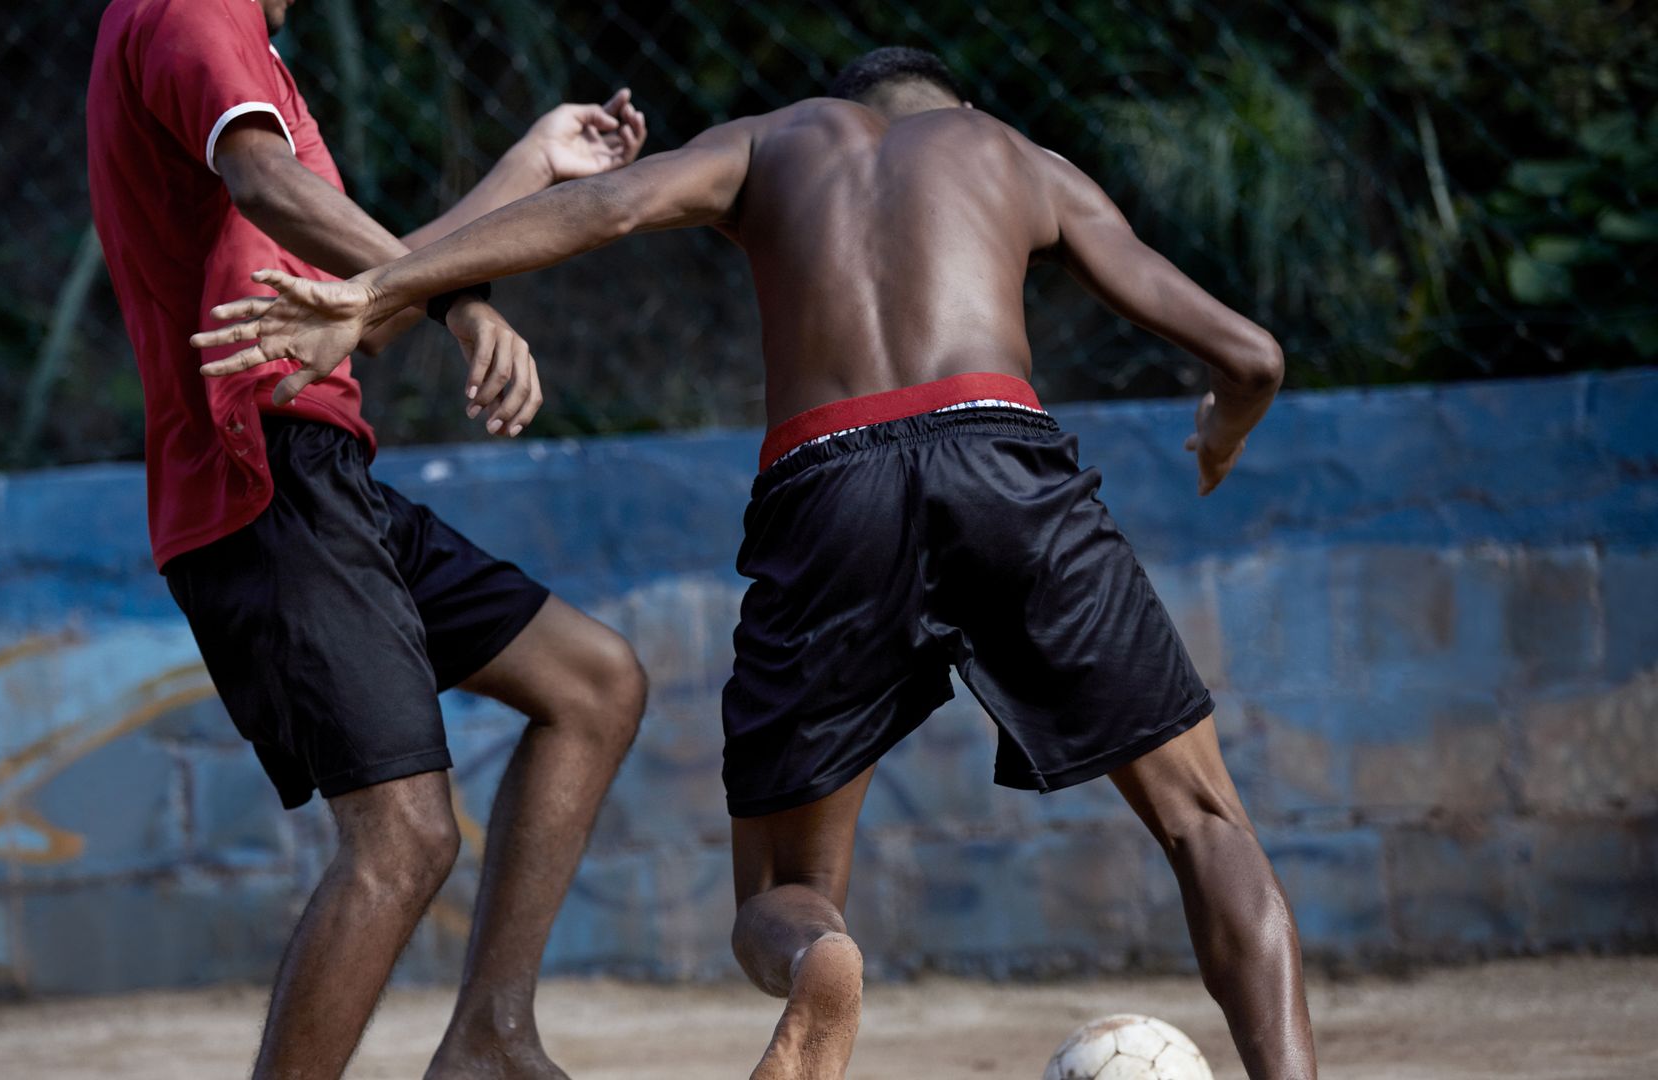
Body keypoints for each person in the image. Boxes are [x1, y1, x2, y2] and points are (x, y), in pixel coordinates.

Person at [192, 45, 1316, 1080]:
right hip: (1005, 459)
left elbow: (609, 206)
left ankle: (818, 958)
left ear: (842, 106)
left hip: (829, 485)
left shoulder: (772, 139)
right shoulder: (1016, 156)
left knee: (781, 892)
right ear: (957, 109)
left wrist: (377, 289)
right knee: (1206, 825)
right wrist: (1223, 427)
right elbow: (1254, 357)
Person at [85, 1, 651, 1077]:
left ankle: (489, 1039)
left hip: (324, 476)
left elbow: (364, 306)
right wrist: (463, 307)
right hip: (267, 480)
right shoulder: (195, 13)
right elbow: (272, 189)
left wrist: (531, 166)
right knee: (402, 837)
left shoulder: (252, 64)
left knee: (593, 684)